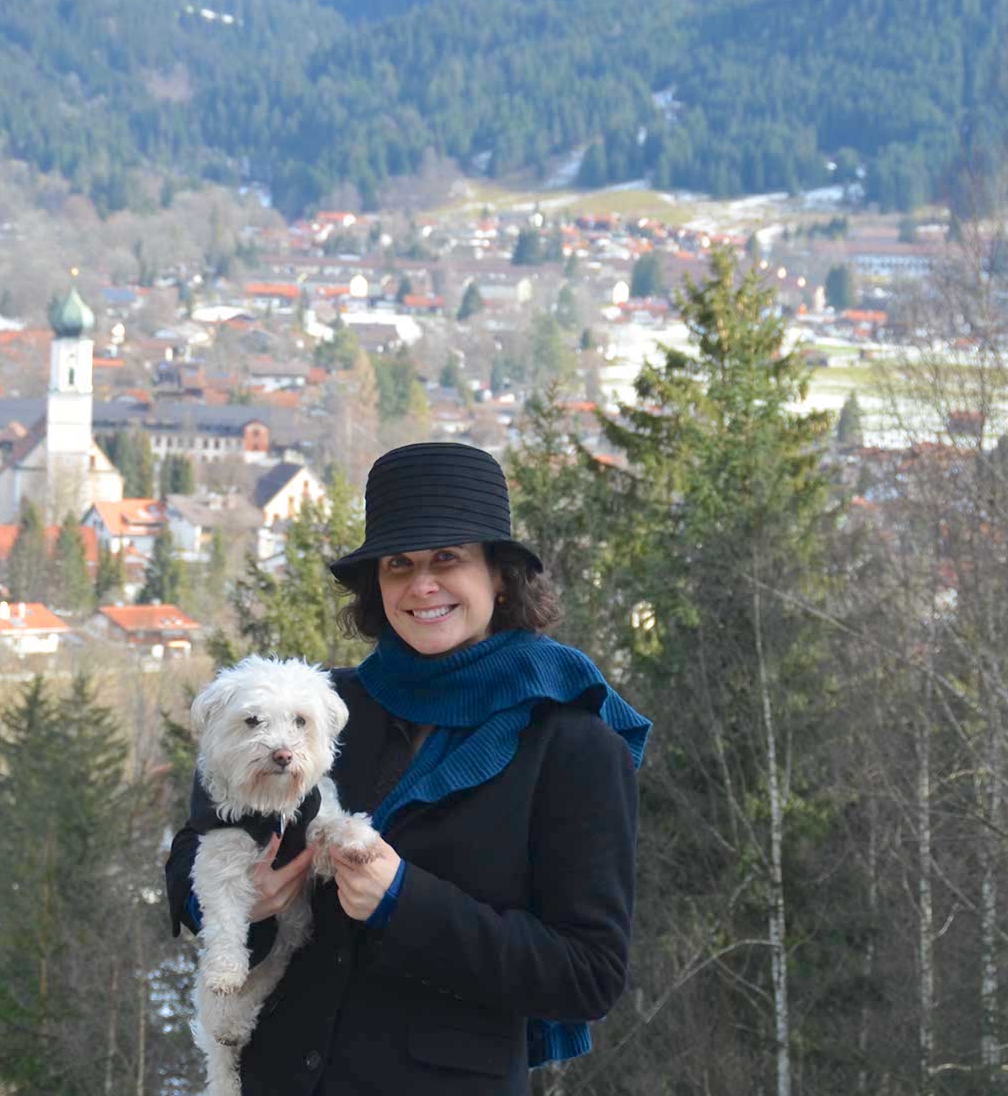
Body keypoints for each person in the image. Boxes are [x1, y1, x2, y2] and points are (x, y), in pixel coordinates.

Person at [165, 441, 650, 1094]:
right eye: (399, 564)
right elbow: (198, 838)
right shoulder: (316, 711)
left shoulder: (573, 744)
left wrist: (404, 901)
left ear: (500, 575)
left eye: (448, 557)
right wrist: (234, 897)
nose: (423, 584)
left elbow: (588, 972)